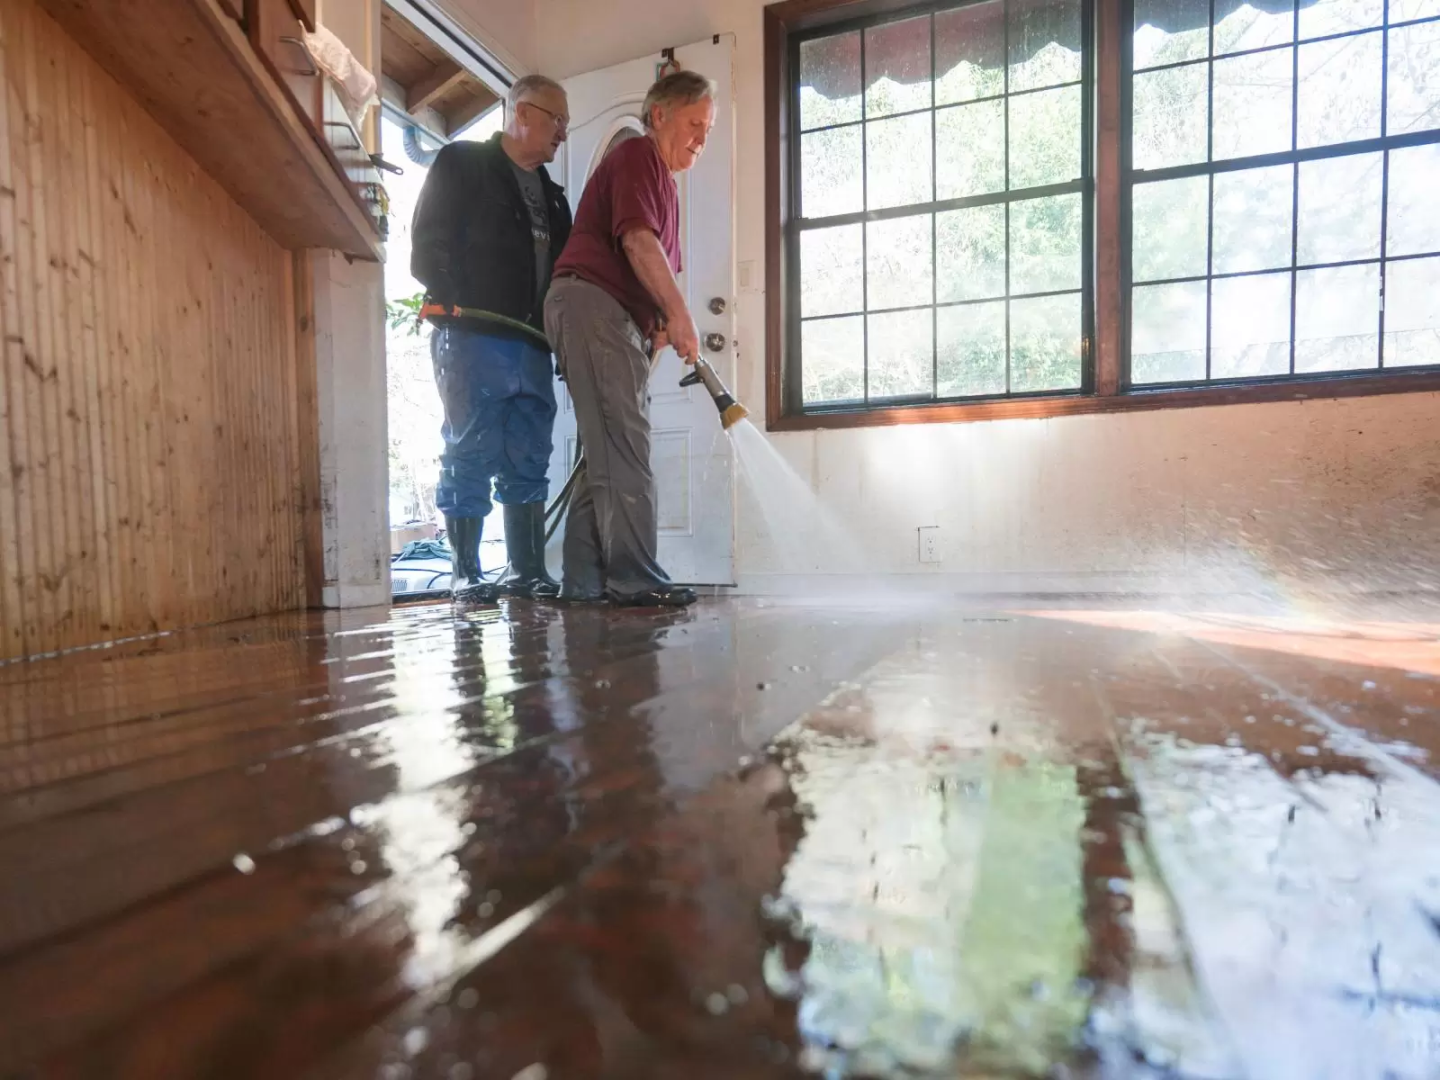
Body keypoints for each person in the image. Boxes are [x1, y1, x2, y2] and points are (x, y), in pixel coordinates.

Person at [543, 70, 716, 609]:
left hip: (614, 319)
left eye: (707, 130)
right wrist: (681, 316)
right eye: (694, 123)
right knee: (626, 443)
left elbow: (653, 274)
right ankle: (635, 578)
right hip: (591, 303)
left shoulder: (667, 188)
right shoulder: (637, 155)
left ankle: (584, 582)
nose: (700, 138)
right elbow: (639, 244)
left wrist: (661, 330)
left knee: (607, 451)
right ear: (659, 114)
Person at [410, 74, 572, 602]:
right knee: (470, 448)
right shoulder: (463, 164)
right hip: (473, 334)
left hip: (532, 343)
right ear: (523, 113)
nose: (562, 134)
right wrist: (450, 300)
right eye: (557, 120)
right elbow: (428, 236)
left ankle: (527, 570)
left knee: (530, 452)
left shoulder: (554, 197)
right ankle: (466, 571)